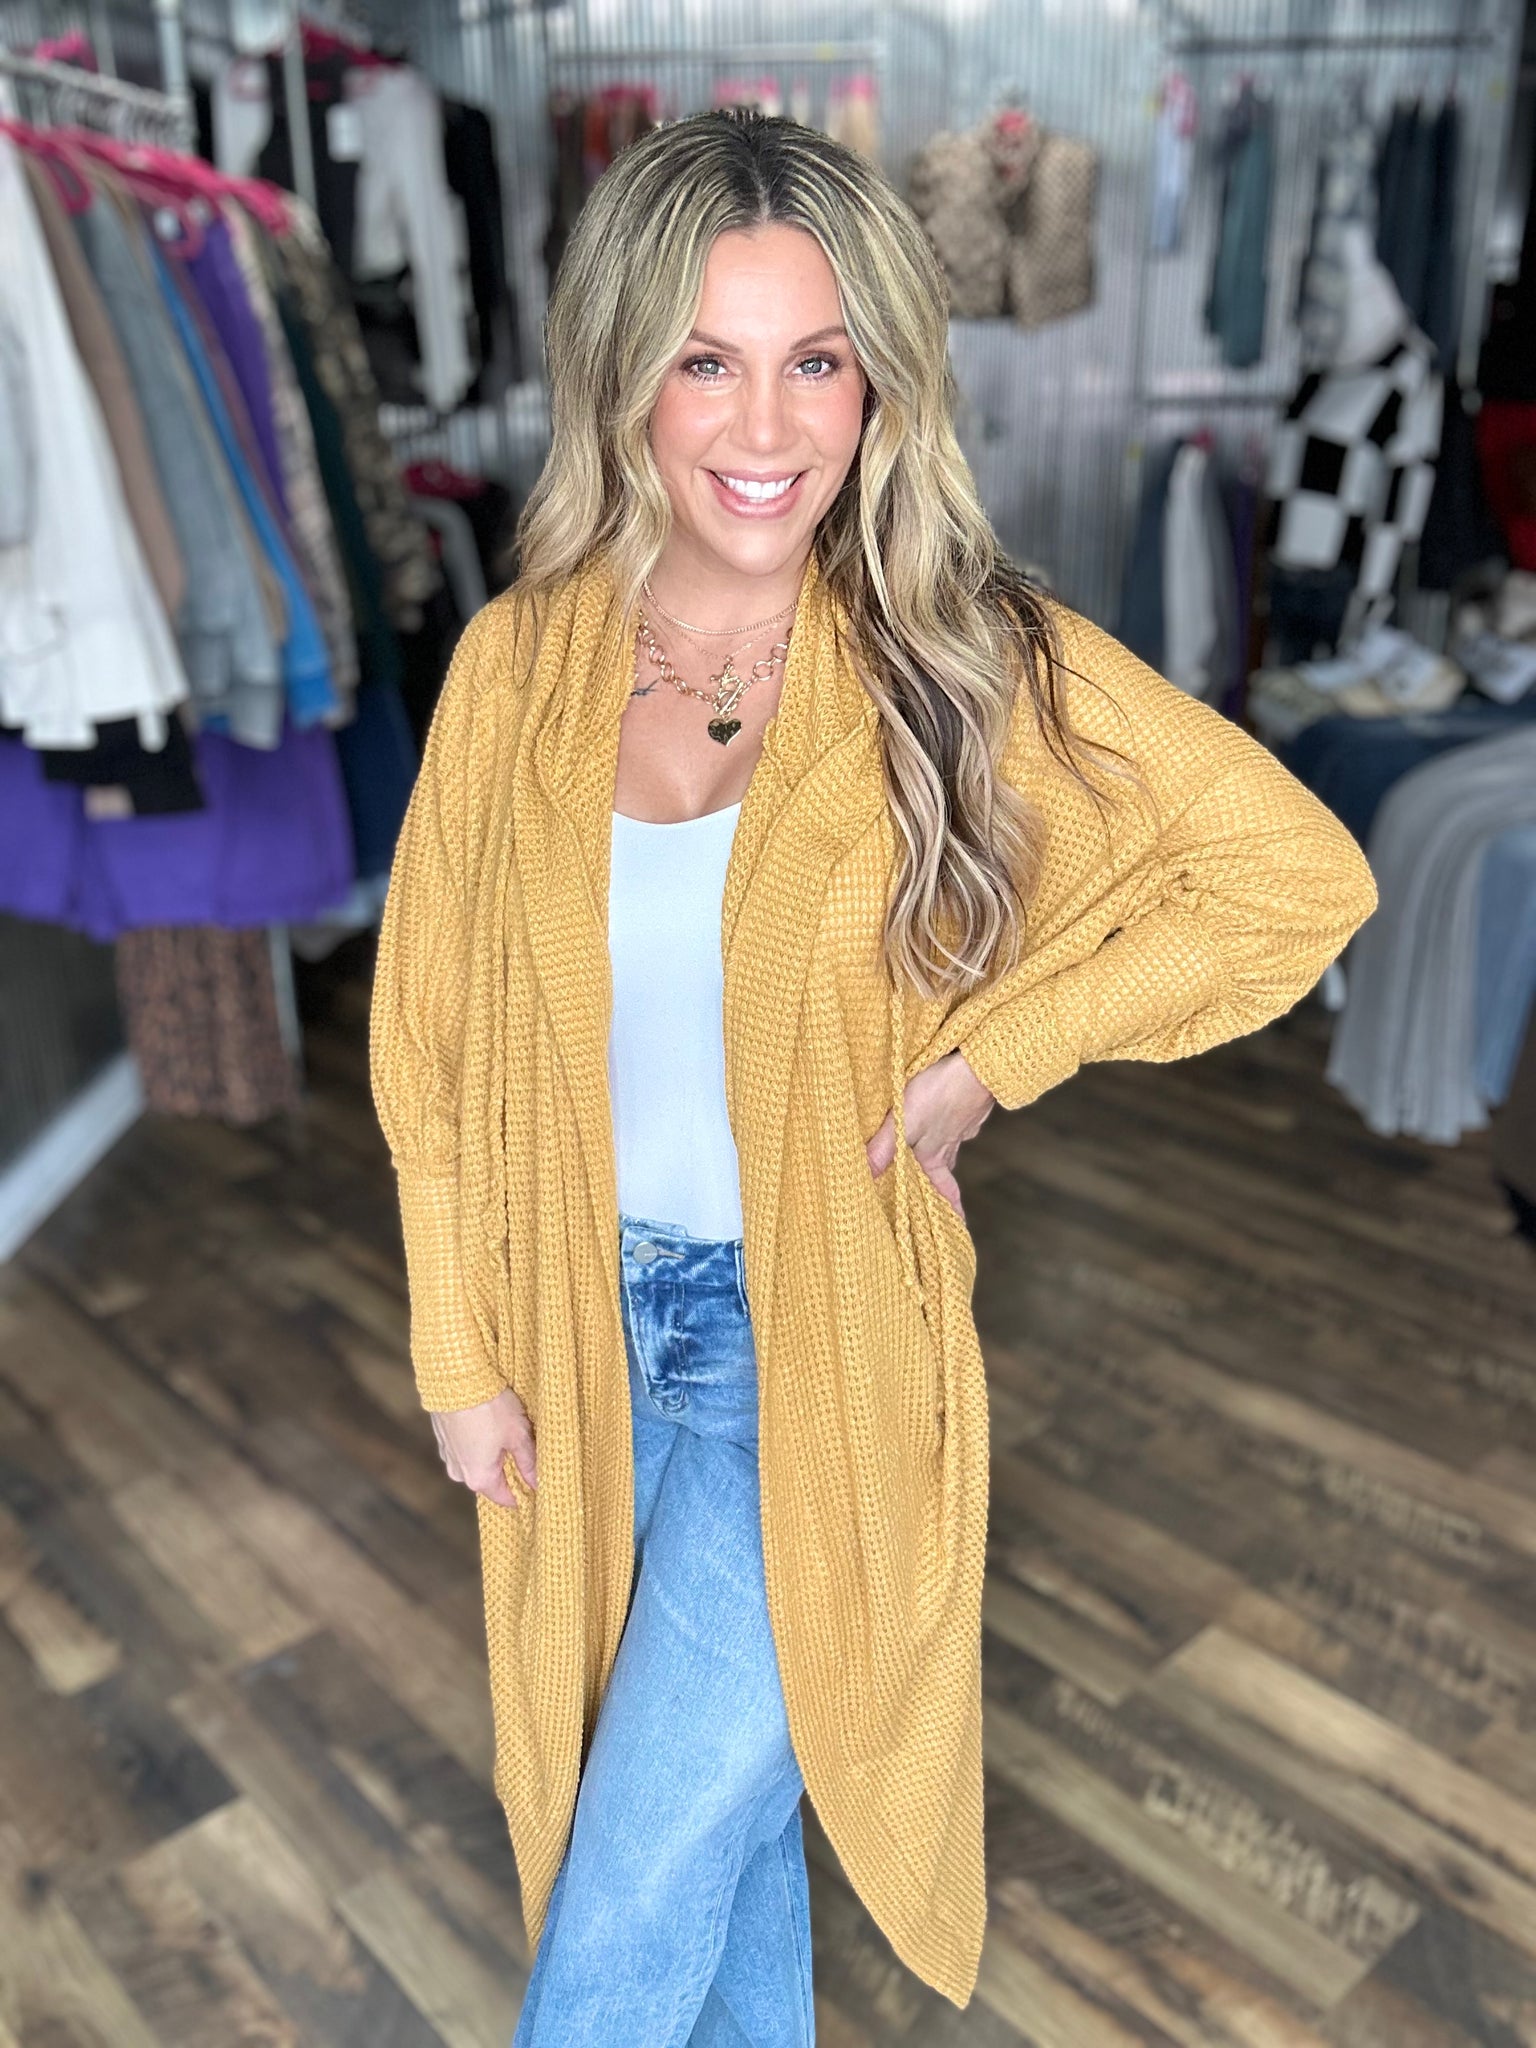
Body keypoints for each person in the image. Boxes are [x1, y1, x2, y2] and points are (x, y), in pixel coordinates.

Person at [370, 108, 1378, 2046]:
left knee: (623, 1899)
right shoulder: (516, 666)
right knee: (715, 1849)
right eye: (707, 360)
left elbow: (1293, 878)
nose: (767, 427)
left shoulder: (955, 653)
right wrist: (455, 1349)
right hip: (578, 1330)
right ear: (622, 374)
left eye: (818, 361)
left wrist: (997, 1055)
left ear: (883, 381)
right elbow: (430, 1043)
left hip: (812, 1343)